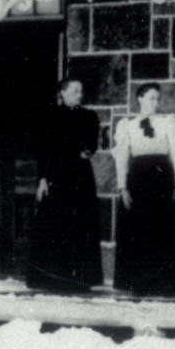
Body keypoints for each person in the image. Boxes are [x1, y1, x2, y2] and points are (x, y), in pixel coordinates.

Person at [111, 83, 175, 297]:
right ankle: (140, 283)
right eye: (150, 98)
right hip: (138, 181)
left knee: (164, 229)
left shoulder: (167, 123)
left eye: (157, 98)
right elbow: (121, 159)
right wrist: (122, 188)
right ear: (139, 99)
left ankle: (167, 283)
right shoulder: (127, 125)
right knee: (140, 230)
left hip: (162, 180)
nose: (155, 102)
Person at [26, 76, 103, 292]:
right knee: (55, 223)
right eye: (75, 91)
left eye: (81, 91)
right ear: (62, 92)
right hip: (56, 176)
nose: (80, 95)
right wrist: (42, 179)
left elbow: (91, 144)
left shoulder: (89, 116)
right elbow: (45, 149)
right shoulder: (49, 117)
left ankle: (80, 278)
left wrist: (86, 150)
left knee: (80, 223)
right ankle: (50, 277)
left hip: (80, 177)